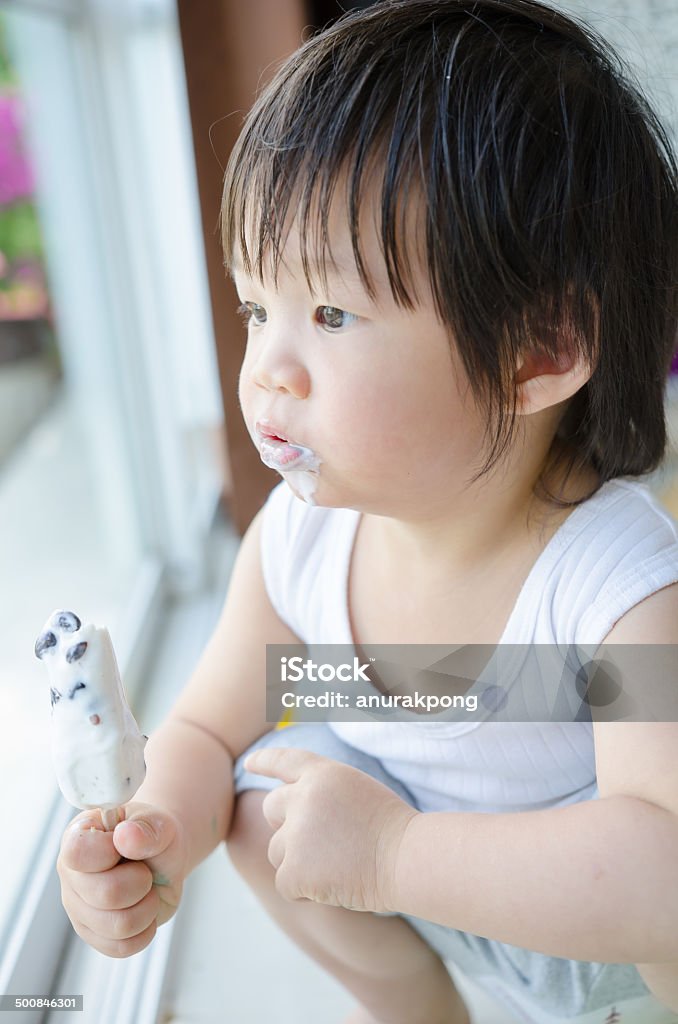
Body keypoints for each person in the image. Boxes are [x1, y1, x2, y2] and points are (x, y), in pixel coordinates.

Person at [57, 1, 678, 1021]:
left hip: (596, 935)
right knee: (260, 802)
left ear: (537, 350)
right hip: (409, 893)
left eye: (331, 315)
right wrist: (150, 835)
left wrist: (397, 856)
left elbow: (661, 868)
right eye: (260, 309)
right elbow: (209, 730)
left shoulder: (611, 583)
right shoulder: (301, 545)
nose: (267, 372)